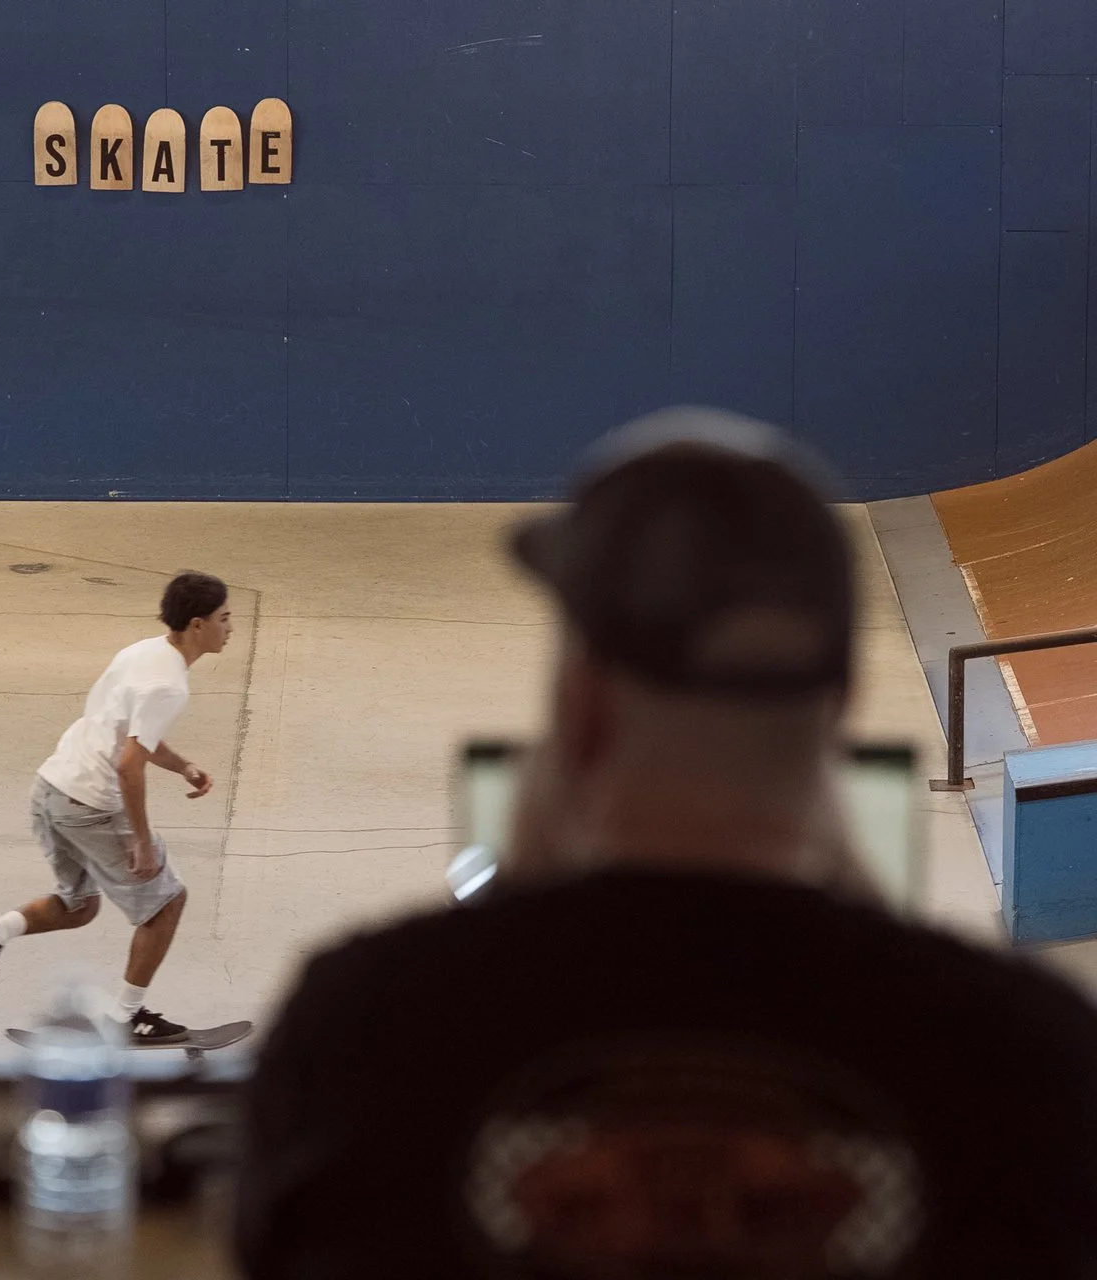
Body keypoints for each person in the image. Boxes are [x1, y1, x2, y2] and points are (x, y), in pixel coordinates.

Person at [236, 409, 1097, 1279]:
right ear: (838, 702)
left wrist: (513, 903)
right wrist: (872, 925)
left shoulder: (366, 1024)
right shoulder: (1024, 1052)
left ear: (583, 707)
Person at [0, 572, 232, 1043]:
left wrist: (183, 766)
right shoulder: (169, 685)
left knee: (79, 905)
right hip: (89, 803)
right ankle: (126, 1018)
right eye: (225, 618)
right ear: (197, 625)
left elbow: (127, 735)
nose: (232, 627)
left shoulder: (143, 651)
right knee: (166, 902)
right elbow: (129, 766)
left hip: (51, 788)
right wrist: (141, 842)